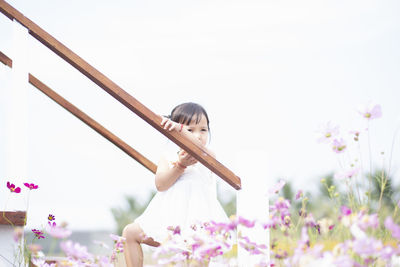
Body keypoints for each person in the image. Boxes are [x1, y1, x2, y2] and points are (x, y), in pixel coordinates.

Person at [122, 102, 229, 267]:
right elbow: (161, 185)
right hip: (168, 222)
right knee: (130, 233)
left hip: (198, 224)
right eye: (190, 129)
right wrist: (180, 165)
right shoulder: (168, 155)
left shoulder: (207, 155)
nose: (199, 135)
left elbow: (198, 148)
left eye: (203, 129)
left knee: (199, 254)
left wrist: (179, 129)